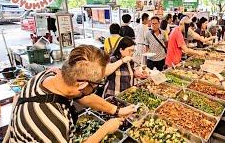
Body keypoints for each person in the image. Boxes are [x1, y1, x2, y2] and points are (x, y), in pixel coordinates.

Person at [7, 45, 135, 142]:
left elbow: (83, 96)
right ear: (83, 84)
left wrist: (116, 110)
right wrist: (105, 129)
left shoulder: (49, 76)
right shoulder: (53, 124)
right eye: (97, 84)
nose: (96, 88)